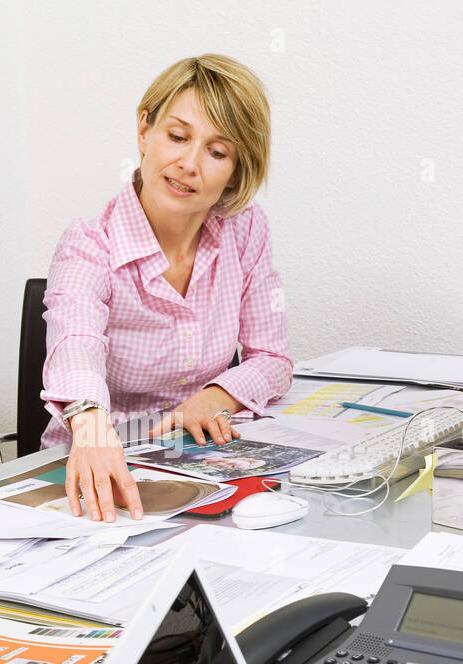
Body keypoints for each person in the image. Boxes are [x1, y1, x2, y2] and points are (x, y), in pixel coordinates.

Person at [40, 54, 292, 523]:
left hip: (198, 466)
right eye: (177, 137)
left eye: (217, 152)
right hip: (92, 467)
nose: (188, 164)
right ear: (144, 131)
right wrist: (91, 426)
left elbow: (273, 359)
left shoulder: (247, 230)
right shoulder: (90, 243)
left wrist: (213, 399)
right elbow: (75, 342)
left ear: (237, 170)